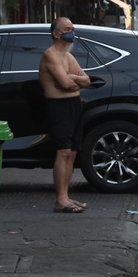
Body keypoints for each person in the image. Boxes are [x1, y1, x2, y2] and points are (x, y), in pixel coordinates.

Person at [38, 17, 92, 213]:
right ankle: (60, 200)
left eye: (73, 28)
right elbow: (65, 84)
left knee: (72, 152)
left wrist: (72, 78)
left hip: (74, 105)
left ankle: (66, 196)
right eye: (68, 29)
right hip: (58, 106)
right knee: (63, 152)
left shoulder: (68, 57)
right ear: (56, 33)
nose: (72, 31)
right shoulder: (50, 55)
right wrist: (72, 80)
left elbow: (86, 81)